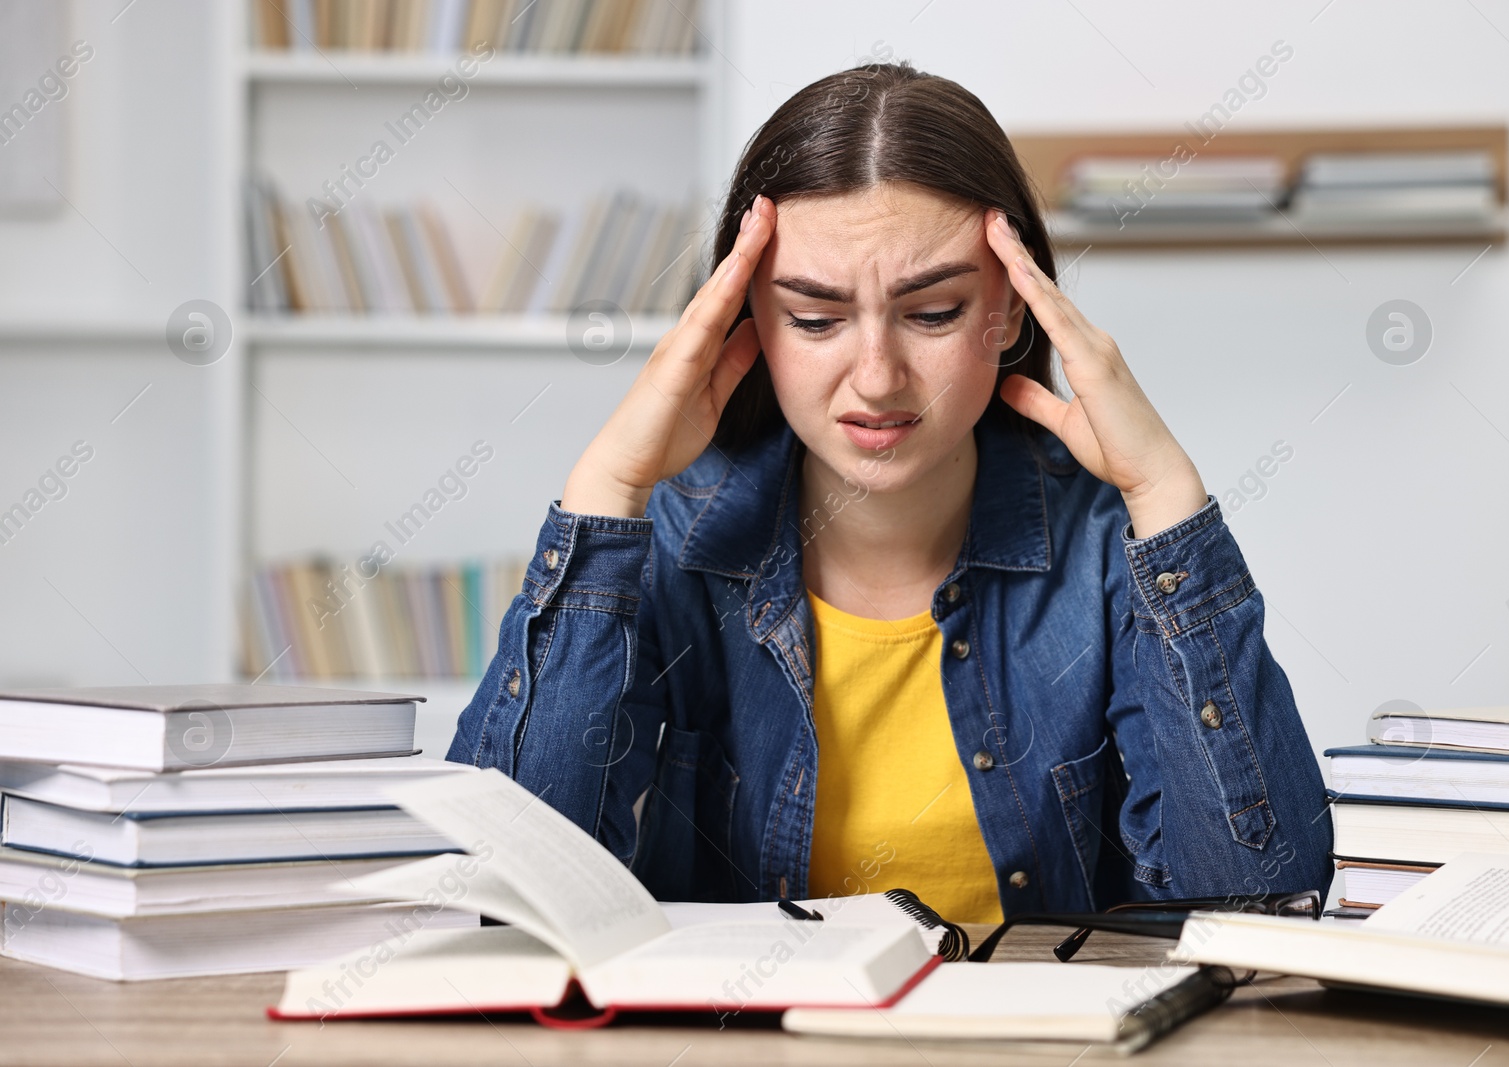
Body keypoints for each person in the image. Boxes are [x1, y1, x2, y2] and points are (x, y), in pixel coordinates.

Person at [448, 61, 1332, 923]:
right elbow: (506, 902)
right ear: (744, 318)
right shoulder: (679, 540)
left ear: (1013, 309)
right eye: (816, 319)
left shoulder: (1109, 546)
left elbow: (1254, 903)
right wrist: (606, 490)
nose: (875, 378)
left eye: (934, 312)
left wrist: (1168, 495)